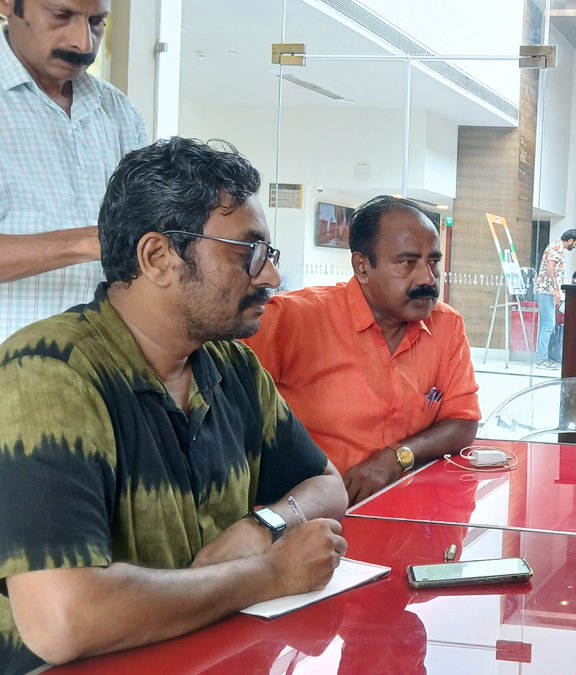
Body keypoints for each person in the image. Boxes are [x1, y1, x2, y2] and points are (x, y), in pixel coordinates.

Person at [0, 137, 349, 672]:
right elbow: (62, 620)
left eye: (269, 255)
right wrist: (271, 574)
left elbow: (327, 484)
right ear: (158, 257)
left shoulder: (231, 367)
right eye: (248, 252)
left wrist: (265, 526)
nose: (272, 277)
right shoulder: (49, 371)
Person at [244, 196, 481, 505]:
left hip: (406, 511)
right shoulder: (290, 319)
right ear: (362, 267)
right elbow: (226, 418)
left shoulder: (447, 326)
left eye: (433, 261)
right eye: (408, 263)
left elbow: (463, 421)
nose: (428, 278)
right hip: (305, 519)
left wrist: (398, 456)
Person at [0, 0, 149, 342]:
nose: (83, 43)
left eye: (97, 22)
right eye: (61, 16)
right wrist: (93, 240)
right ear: (8, 4)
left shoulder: (120, 112)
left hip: (105, 372)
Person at [533, 228, 576, 369]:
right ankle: (542, 360)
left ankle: (542, 357)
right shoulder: (556, 247)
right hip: (546, 291)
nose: (575, 246)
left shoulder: (556, 246)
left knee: (545, 325)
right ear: (571, 240)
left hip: (545, 291)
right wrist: (555, 290)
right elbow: (550, 268)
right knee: (548, 324)